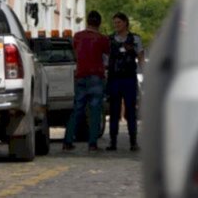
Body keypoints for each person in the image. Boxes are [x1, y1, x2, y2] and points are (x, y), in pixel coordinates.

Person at [62, 11, 110, 152]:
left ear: (87, 22)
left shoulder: (77, 37)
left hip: (81, 75)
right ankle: (92, 143)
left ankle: (67, 141)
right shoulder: (102, 38)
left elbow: (76, 52)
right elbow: (107, 54)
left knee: (77, 109)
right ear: (99, 23)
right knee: (95, 110)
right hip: (96, 76)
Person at [107, 12, 144, 151]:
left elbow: (141, 57)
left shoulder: (135, 39)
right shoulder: (109, 40)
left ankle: (133, 141)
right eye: (114, 23)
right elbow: (105, 58)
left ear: (125, 23)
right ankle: (113, 141)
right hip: (114, 79)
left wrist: (145, 73)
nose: (116, 25)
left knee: (130, 111)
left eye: (119, 22)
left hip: (129, 78)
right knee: (114, 111)